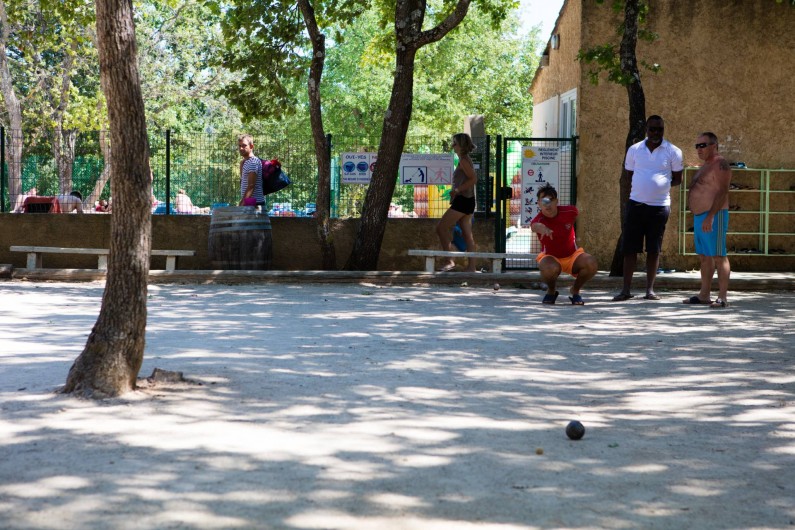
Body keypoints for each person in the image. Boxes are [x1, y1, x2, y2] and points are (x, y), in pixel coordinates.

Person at [612, 115, 683, 301]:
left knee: (654, 249)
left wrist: (661, 185)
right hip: (636, 205)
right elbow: (629, 174)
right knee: (630, 249)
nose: (656, 133)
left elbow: (678, 179)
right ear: (646, 129)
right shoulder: (634, 150)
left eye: (660, 129)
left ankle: (649, 290)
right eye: (652, 129)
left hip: (659, 207)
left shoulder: (673, 151)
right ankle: (626, 290)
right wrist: (644, 186)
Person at [683, 132, 732, 308]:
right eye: (697, 146)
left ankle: (723, 297)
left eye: (702, 145)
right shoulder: (705, 166)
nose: (699, 149)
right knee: (704, 257)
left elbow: (722, 191)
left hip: (714, 216)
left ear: (714, 145)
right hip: (700, 217)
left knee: (719, 255)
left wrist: (711, 216)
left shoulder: (720, 164)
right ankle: (704, 295)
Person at [530, 184, 598, 305]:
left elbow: (580, 214)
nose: (547, 204)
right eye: (543, 201)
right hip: (551, 257)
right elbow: (535, 226)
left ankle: (575, 290)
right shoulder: (538, 220)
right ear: (539, 204)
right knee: (548, 268)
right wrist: (543, 229)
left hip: (573, 256)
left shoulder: (570, 211)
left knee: (591, 263)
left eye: (550, 200)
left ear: (556, 201)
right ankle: (551, 291)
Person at [435, 133, 477, 272]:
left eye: (455, 143)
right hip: (468, 200)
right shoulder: (464, 159)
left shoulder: (464, 160)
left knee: (441, 228)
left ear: (461, 145)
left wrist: (457, 190)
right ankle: (471, 267)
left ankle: (449, 261)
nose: (452, 145)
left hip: (464, 200)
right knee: (467, 235)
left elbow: (473, 179)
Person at [237, 134, 264, 208]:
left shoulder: (253, 162)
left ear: (251, 146)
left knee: (250, 220)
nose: (241, 148)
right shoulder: (245, 162)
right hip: (250, 202)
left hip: (255, 203)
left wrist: (242, 203)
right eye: (239, 146)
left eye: (244, 145)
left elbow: (251, 186)